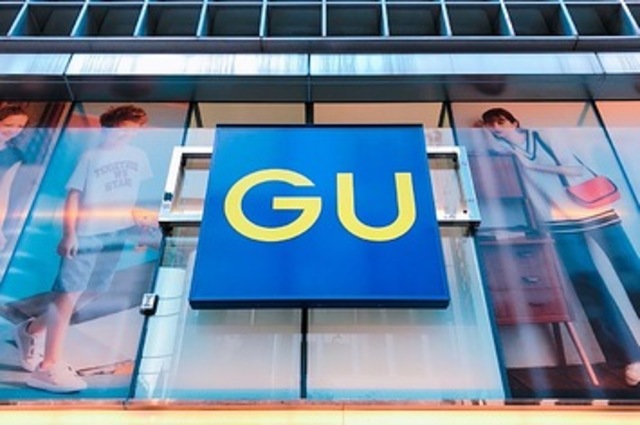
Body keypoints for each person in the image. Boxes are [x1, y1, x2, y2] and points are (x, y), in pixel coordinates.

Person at [480, 107, 640, 387]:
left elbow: (573, 167)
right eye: (490, 124)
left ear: (515, 122)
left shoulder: (542, 137)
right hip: (556, 220)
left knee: (631, 271)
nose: (496, 127)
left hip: (592, 209)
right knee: (587, 285)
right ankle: (628, 357)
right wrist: (487, 135)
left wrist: (530, 165)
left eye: (500, 121)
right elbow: (487, 148)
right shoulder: (503, 150)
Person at [13, 105, 155, 393]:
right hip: (87, 234)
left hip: (117, 231)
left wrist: (138, 225)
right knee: (67, 295)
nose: (125, 135)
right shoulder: (91, 157)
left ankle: (31, 331)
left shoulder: (138, 157)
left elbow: (131, 196)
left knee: (92, 292)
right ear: (109, 128)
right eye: (121, 129)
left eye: (132, 131)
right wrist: (70, 234)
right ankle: (48, 367)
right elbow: (73, 198)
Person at [0, 104, 30, 252]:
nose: (13, 130)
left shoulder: (14, 156)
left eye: (20, 127)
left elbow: (3, 193)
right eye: (9, 125)